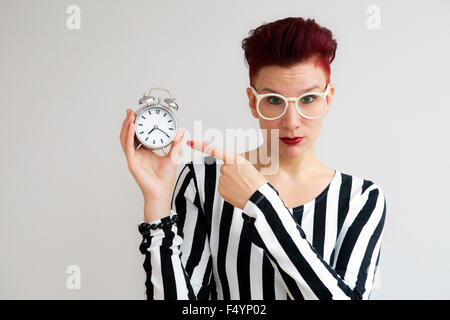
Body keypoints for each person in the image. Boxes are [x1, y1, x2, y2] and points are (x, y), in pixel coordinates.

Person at [119, 16, 386, 300]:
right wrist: (158, 205)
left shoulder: (360, 198)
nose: (292, 121)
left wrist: (261, 203)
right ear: (252, 102)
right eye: (273, 100)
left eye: (308, 99)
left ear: (327, 100)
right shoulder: (203, 181)